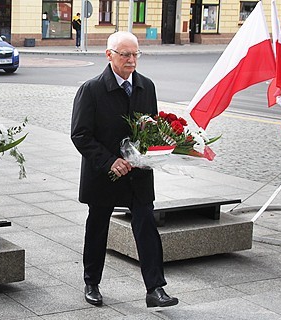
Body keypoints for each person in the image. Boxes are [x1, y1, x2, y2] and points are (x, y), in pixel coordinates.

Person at [70, 31, 179, 308]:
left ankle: (155, 289)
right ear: (109, 55)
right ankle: (91, 282)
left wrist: (155, 150)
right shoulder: (92, 89)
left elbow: (150, 129)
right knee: (97, 227)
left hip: (138, 174)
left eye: (135, 54)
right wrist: (109, 161)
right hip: (104, 174)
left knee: (146, 227)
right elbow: (80, 135)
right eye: (125, 54)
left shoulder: (147, 86)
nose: (131, 60)